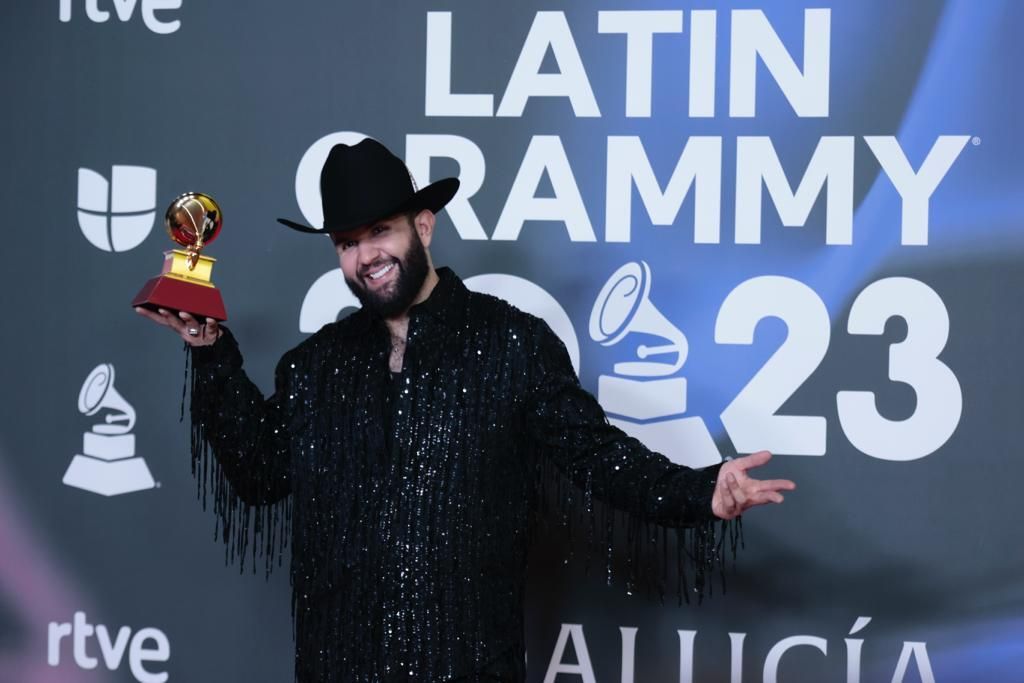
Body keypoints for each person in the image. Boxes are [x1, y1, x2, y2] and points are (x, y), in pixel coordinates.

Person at [136, 139, 795, 682]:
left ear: (423, 224)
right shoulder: (317, 365)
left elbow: (597, 457)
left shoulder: (511, 343)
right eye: (346, 242)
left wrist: (701, 489)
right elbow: (258, 472)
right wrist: (211, 352)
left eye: (380, 231)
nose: (365, 257)